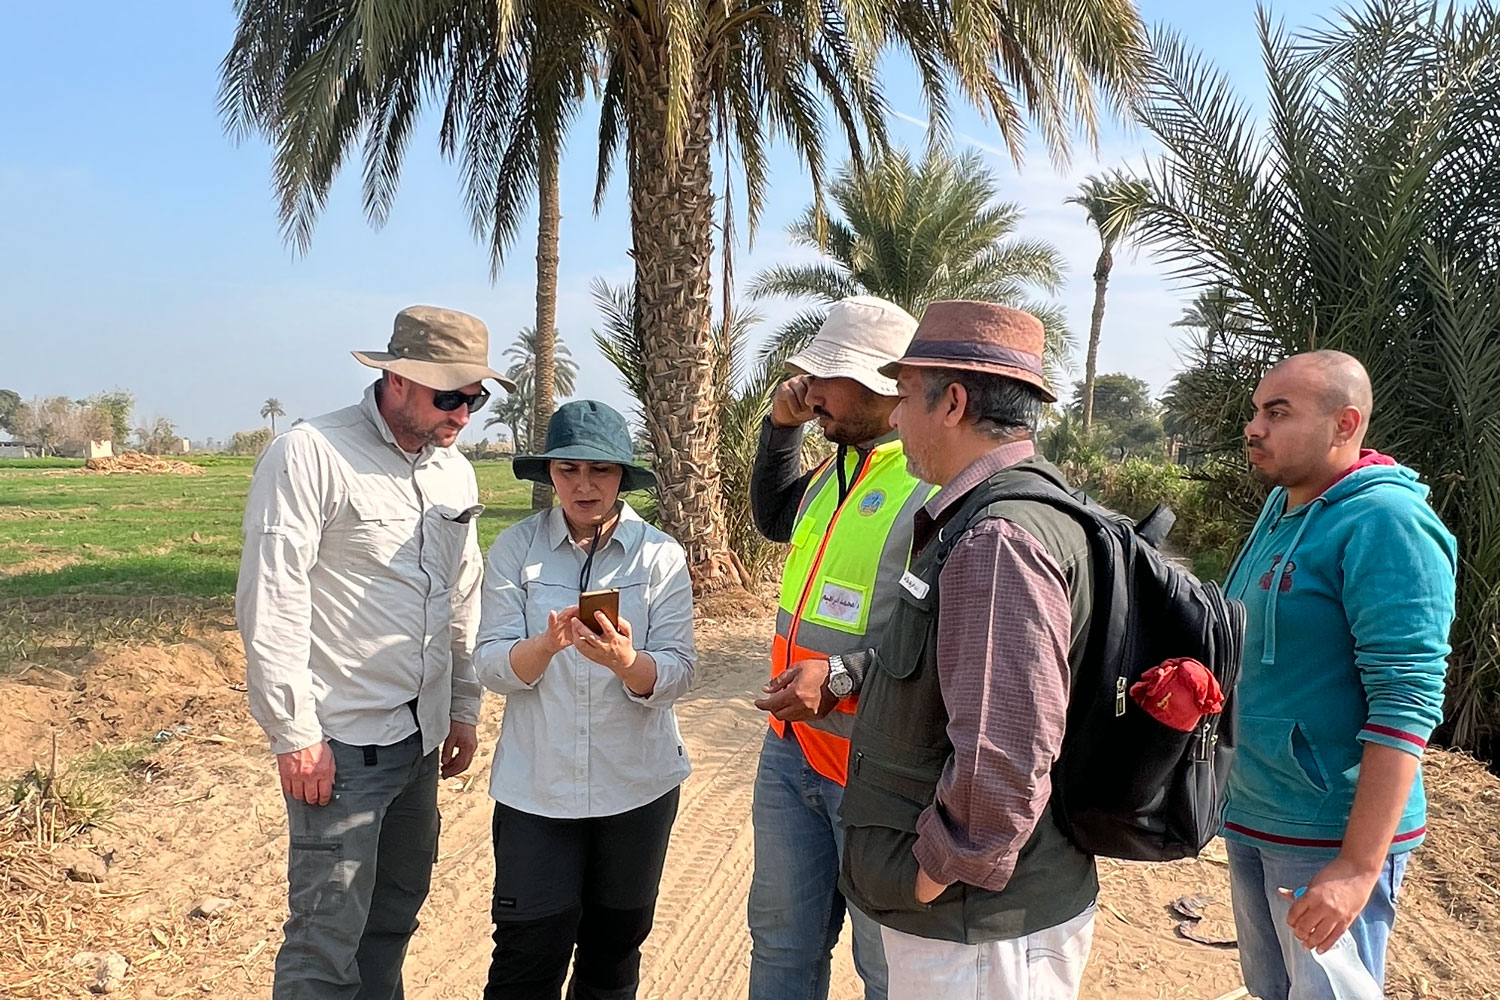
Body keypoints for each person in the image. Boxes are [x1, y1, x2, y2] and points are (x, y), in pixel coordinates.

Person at [237, 305, 513, 999]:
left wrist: (463, 707)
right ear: (394, 378)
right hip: (340, 749)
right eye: (448, 396)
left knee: (391, 920)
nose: (463, 414)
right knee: (324, 943)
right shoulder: (310, 453)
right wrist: (294, 733)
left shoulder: (455, 474)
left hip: (418, 745)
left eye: (473, 399)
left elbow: (460, 597)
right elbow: (271, 601)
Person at [839, 301, 1098, 1000]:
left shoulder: (995, 540)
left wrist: (931, 873)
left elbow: (1004, 756)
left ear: (951, 401)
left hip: (975, 930)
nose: (894, 418)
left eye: (901, 395)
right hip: (984, 918)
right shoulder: (1032, 509)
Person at [1222, 351, 1456, 1000]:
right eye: (1256, 411)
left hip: (1326, 832)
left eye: (1278, 412)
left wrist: (1356, 867)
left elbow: (1407, 698)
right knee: (1270, 990)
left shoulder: (1387, 523)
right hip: (1257, 810)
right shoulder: (1283, 510)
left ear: (1344, 423)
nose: (1254, 428)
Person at [474, 399, 696, 1000]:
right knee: (527, 952)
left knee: (613, 952)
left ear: (623, 476)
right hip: (537, 789)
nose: (583, 484)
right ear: (548, 473)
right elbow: (490, 661)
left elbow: (679, 670)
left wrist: (627, 664)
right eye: (568, 469)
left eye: (600, 470)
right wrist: (544, 646)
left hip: (636, 787)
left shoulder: (660, 557)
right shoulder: (516, 550)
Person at [746, 295, 927, 1000]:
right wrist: (781, 428)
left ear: (889, 385)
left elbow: (944, 641)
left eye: (828, 376)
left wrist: (846, 679)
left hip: (875, 771)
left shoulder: (925, 483)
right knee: (783, 944)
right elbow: (772, 517)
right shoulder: (835, 470)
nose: (809, 388)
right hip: (790, 749)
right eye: (808, 374)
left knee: (887, 967)